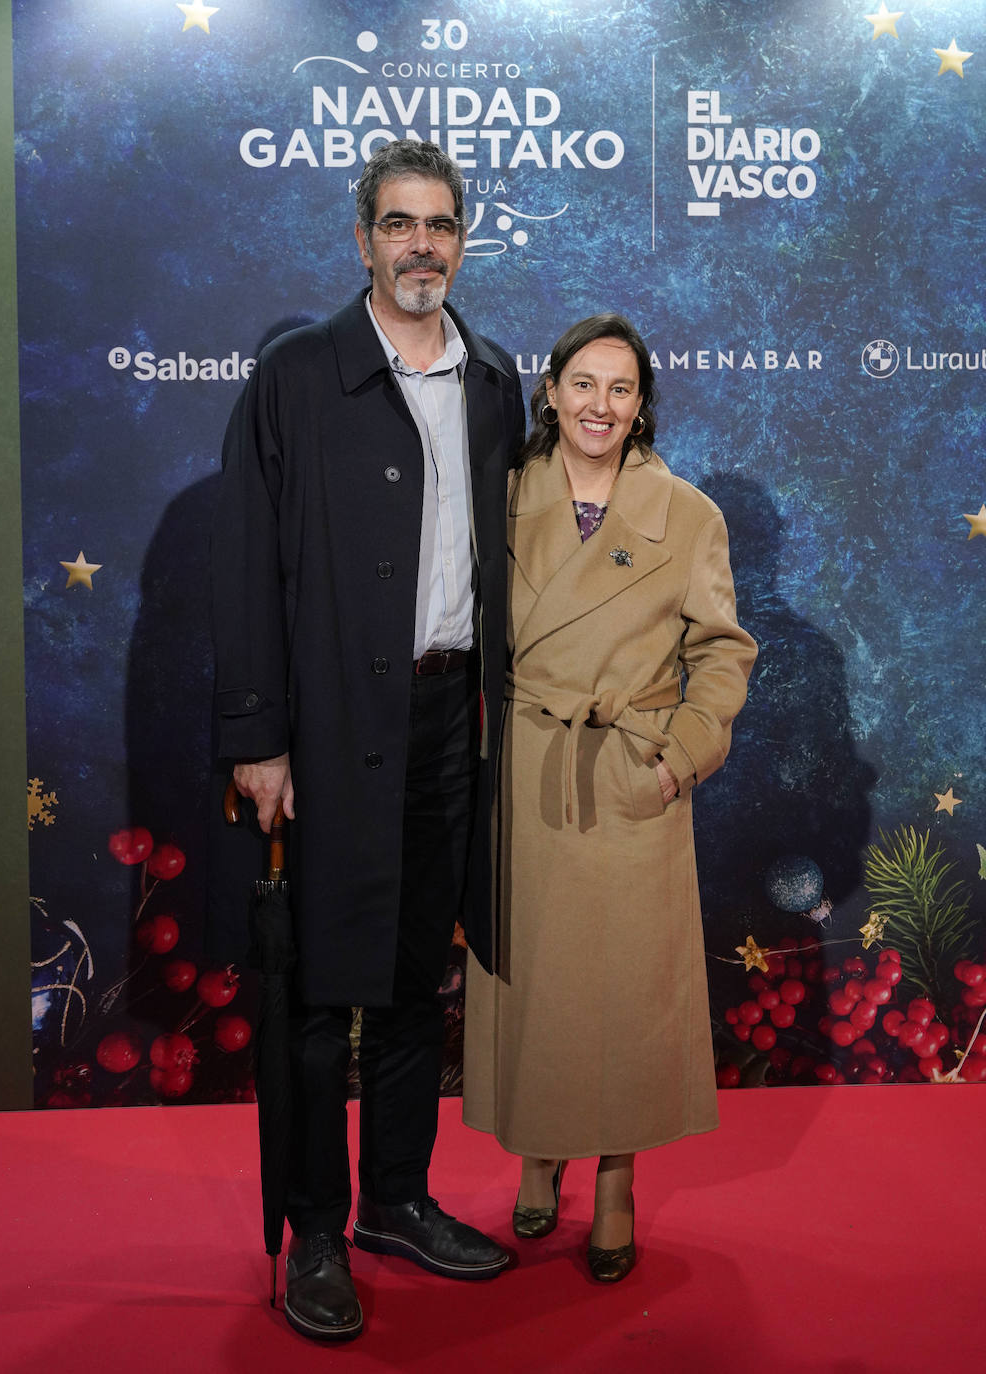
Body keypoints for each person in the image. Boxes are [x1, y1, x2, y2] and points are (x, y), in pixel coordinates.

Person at [209, 139, 525, 1341]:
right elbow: (242, 566)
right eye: (398, 225)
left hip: (450, 720)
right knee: (310, 996)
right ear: (362, 242)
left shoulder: (494, 380)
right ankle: (314, 1234)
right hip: (328, 728)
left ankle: (397, 1197)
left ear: (460, 239)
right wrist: (260, 737)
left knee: (407, 983)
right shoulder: (296, 378)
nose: (420, 246)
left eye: (439, 225)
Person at [462, 313, 757, 1283]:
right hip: (526, 775)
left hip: (628, 779)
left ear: (641, 407)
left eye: (619, 389)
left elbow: (721, 651)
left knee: (625, 996)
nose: (599, 404)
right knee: (537, 985)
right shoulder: (497, 499)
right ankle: (539, 1154)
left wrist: (680, 753)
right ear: (548, 394)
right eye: (581, 384)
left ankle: (618, 1177)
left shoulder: (689, 515)